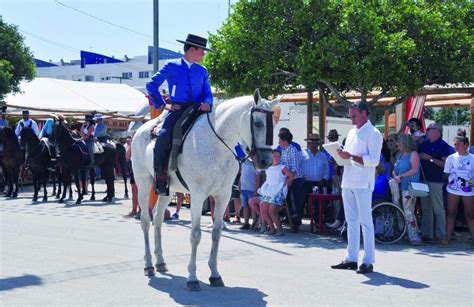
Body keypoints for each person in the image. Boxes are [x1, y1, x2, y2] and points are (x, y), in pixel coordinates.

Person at [146, 34, 213, 196]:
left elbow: (207, 92)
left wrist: (207, 103)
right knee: (163, 136)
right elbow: (151, 85)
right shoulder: (171, 65)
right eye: (202, 51)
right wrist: (164, 104)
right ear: (192, 50)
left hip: (199, 110)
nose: (204, 54)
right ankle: (161, 177)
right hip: (177, 110)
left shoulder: (202, 71)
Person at [331, 102, 383, 274]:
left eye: (354, 115)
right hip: (348, 181)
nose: (351, 118)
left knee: (365, 223)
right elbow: (349, 157)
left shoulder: (374, 133)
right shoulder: (351, 132)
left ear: (364, 113)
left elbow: (374, 161)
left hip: (362, 183)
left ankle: (368, 261)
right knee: (351, 222)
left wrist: (350, 156)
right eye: (350, 115)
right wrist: (339, 155)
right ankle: (351, 258)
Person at [418, 122, 454, 244]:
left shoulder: (443, 146)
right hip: (424, 179)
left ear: (438, 131)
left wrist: (430, 159)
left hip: (436, 181)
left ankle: (441, 235)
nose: (427, 130)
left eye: (429, 128)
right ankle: (427, 234)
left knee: (438, 208)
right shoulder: (424, 144)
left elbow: (445, 165)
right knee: (426, 208)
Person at [443, 136, 474, 246]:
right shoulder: (451, 158)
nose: (456, 147)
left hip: (468, 190)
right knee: (451, 213)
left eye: (458, 144)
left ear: (466, 145)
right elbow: (447, 173)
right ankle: (447, 238)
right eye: (455, 144)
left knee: (470, 215)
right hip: (453, 190)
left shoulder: (472, 158)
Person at [393, 134, 423, 246]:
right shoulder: (401, 155)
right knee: (402, 210)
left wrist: (401, 176)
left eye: (399, 142)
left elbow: (414, 170)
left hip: (409, 187)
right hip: (400, 186)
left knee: (409, 210)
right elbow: (396, 169)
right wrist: (395, 174)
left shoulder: (413, 154)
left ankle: (415, 235)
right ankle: (406, 233)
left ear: (405, 143)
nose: (397, 144)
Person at [258, 149, 294, 236]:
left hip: (278, 191)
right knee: (263, 211)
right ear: (271, 157)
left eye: (278, 156)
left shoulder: (282, 167)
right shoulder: (268, 167)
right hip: (269, 190)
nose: (277, 158)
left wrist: (285, 185)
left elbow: (292, 176)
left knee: (271, 211)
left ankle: (280, 230)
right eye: (274, 156)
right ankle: (272, 229)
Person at [278, 130, 305, 232]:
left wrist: (289, 180)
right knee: (287, 200)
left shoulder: (293, 150)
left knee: (296, 201)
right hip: (288, 179)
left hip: (296, 179)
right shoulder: (283, 150)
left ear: (285, 141)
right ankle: (291, 220)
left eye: (280, 139)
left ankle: (296, 221)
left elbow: (294, 169)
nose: (278, 142)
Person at [301, 133, 329, 200]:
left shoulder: (323, 156)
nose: (314, 145)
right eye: (312, 143)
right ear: (308, 144)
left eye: (315, 143)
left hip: (318, 184)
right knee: (302, 203)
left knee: (317, 204)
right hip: (305, 183)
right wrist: (300, 178)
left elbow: (326, 169)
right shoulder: (302, 154)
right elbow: (298, 167)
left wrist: (324, 179)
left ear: (318, 144)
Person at [239, 149, 261, 230]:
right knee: (245, 206)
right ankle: (246, 223)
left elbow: (258, 178)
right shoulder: (244, 161)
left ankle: (254, 223)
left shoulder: (256, 165)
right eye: (247, 151)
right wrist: (239, 184)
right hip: (244, 188)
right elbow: (242, 174)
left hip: (252, 189)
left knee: (252, 207)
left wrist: (256, 189)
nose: (248, 153)